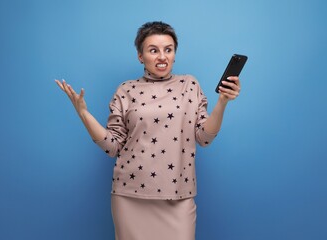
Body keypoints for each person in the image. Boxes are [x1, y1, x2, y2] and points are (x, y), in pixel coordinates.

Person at [55, 21, 240, 240]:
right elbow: (112, 146)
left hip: (178, 195)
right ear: (140, 56)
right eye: (154, 50)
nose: (162, 56)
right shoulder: (126, 90)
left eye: (168, 50)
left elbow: (204, 137)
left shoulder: (189, 85)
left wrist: (223, 102)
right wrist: (84, 114)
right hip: (130, 195)